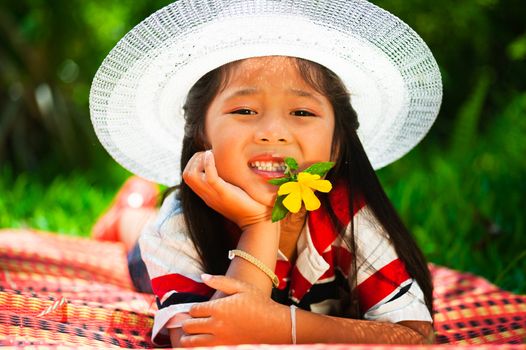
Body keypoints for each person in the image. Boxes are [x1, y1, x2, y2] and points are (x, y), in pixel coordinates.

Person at [89, 0, 442, 346]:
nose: (273, 132)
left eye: (302, 113)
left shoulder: (347, 212)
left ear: (337, 144)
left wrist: (282, 326)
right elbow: (199, 341)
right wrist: (260, 223)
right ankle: (128, 210)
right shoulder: (178, 225)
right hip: (157, 255)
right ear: (201, 132)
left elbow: (415, 334)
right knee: (138, 237)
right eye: (244, 110)